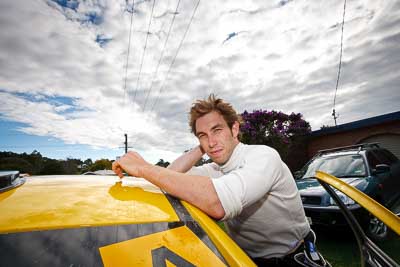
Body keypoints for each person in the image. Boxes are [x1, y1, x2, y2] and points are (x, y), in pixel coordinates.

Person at [113, 94, 312, 266]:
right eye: (202, 135)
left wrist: (143, 167)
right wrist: (203, 146)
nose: (211, 141)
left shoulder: (263, 156)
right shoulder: (214, 168)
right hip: (244, 259)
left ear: (234, 129)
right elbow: (170, 177)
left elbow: (217, 203)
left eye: (217, 130)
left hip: (291, 259)